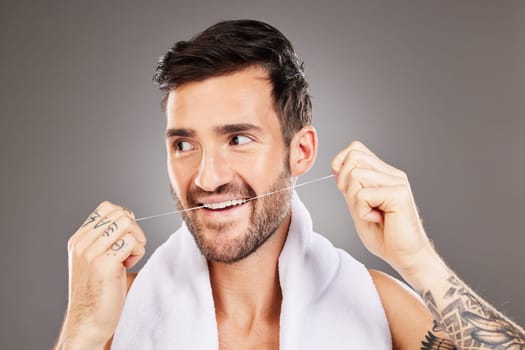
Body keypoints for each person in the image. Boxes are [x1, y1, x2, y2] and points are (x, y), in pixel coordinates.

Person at [54, 20, 524, 349]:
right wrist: (79, 335)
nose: (207, 177)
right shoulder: (114, 313)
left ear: (301, 151)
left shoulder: (375, 304)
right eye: (183, 144)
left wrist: (420, 262)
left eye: (238, 139)